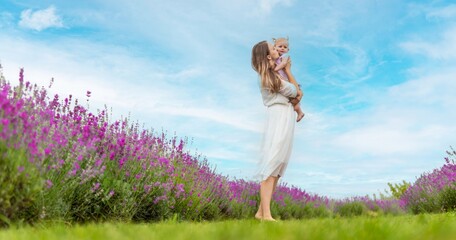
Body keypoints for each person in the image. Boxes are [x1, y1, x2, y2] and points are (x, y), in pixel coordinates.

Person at [251, 40, 303, 221]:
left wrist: (295, 96)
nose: (277, 49)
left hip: (286, 115)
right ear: (267, 56)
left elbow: (295, 95)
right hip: (278, 116)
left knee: (279, 164)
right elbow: (296, 92)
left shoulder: (274, 74)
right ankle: (266, 215)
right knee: (272, 162)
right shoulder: (268, 77)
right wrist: (288, 70)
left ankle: (260, 212)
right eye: (273, 48)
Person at [273, 37, 305, 122]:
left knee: (294, 99)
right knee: (290, 98)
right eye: (280, 46)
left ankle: (300, 112)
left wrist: (275, 69)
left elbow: (283, 64)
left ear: (288, 49)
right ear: (275, 47)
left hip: (287, 79)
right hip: (282, 79)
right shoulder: (274, 59)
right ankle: (299, 112)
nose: (283, 48)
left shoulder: (285, 57)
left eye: (285, 47)